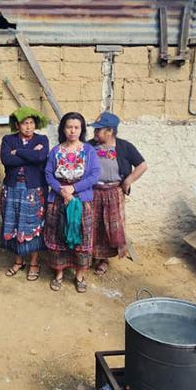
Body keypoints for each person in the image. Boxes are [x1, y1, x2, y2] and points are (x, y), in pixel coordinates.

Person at [43, 112, 100, 293]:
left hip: (81, 201)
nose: (72, 131)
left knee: (82, 237)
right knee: (57, 236)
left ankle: (79, 276)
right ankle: (59, 274)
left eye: (76, 127)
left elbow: (94, 175)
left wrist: (73, 189)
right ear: (63, 129)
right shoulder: (56, 151)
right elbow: (48, 174)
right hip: (58, 201)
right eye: (69, 127)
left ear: (81, 130)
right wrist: (62, 191)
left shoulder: (88, 151)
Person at [87, 112, 148, 275]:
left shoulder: (124, 147)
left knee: (111, 226)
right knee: (93, 224)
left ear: (110, 131)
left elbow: (142, 165)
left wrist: (128, 181)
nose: (95, 133)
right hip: (93, 192)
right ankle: (89, 255)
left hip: (114, 191)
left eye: (98, 130)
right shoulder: (90, 146)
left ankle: (103, 259)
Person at [0, 106, 50, 281]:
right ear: (17, 125)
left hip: (34, 190)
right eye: (24, 123)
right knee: (14, 224)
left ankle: (34, 263)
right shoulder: (8, 139)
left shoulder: (42, 139)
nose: (28, 127)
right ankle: (18, 260)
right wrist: (30, 153)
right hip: (12, 189)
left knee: (33, 226)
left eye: (31, 123)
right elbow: (7, 159)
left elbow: (40, 158)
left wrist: (19, 152)